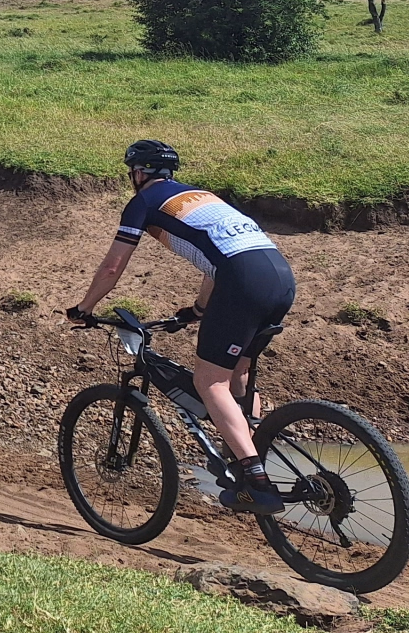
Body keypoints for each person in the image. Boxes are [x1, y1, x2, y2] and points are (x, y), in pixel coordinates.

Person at [69, 139, 297, 515]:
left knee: (210, 382)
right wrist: (197, 310)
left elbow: (113, 266)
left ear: (138, 173)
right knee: (238, 369)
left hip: (242, 281)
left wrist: (84, 307)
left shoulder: (143, 202)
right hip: (279, 276)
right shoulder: (202, 197)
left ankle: (256, 482)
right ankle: (250, 451)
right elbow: (221, 260)